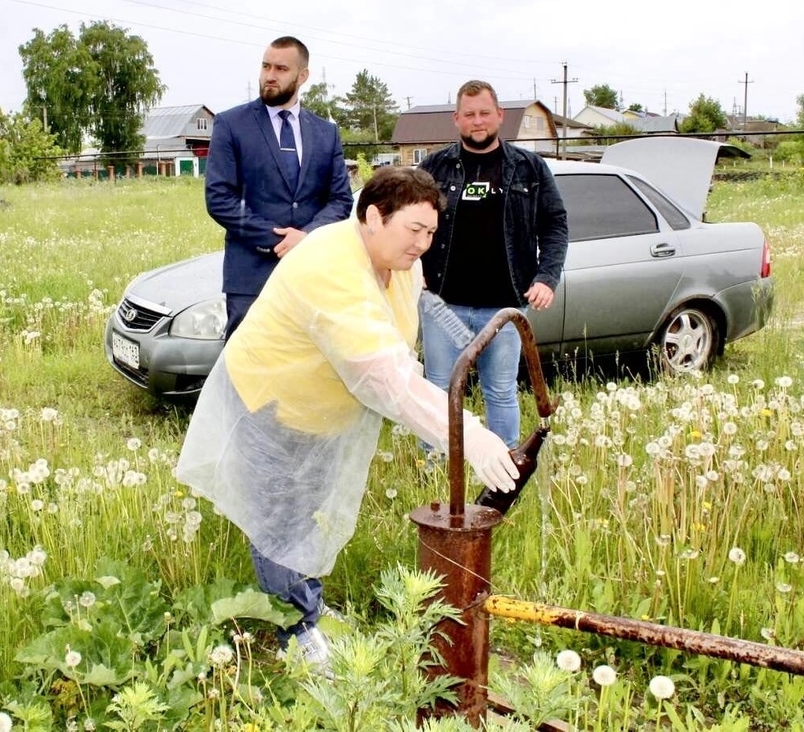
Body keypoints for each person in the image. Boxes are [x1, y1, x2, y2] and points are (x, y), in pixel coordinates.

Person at [176, 167, 518, 669]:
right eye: (414, 231)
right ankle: (294, 631)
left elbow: (399, 345)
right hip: (271, 400)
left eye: (430, 232)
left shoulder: (400, 262)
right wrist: (468, 435)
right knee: (280, 521)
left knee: (307, 509)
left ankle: (305, 603)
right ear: (373, 217)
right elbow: (384, 377)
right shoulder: (330, 268)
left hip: (320, 406)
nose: (423, 244)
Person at [419, 81, 568, 449]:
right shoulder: (433, 168)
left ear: (500, 115)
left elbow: (555, 224)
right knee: (438, 388)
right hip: (442, 304)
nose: (478, 121)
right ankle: (435, 467)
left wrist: (547, 277)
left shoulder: (529, 168)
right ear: (457, 119)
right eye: (469, 114)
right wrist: (412, 268)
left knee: (500, 391)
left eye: (485, 113)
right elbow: (406, 219)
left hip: (505, 307)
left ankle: (505, 470)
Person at [205, 35, 354, 338]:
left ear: (303, 76)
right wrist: (277, 240)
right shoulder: (231, 124)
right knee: (242, 371)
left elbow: (340, 200)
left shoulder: (326, 133)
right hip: (250, 279)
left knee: (304, 368)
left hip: (311, 276)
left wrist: (307, 238)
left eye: (281, 69)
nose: (270, 76)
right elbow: (219, 198)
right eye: (265, 66)